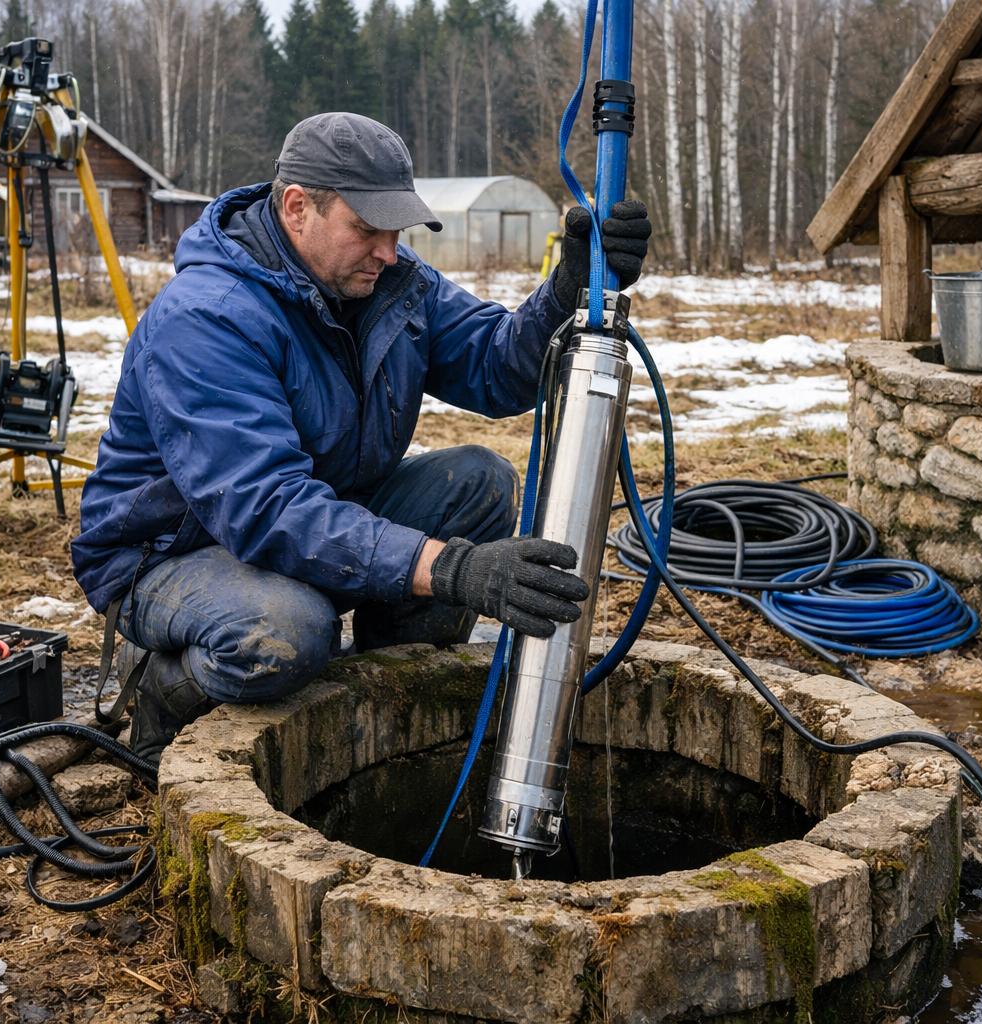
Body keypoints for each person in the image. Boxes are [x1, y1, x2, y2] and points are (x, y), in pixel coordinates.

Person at [71, 112, 651, 766]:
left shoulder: (392, 283)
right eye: (367, 230)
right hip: (173, 555)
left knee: (479, 482)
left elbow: (499, 369)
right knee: (286, 631)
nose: (388, 250)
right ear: (297, 208)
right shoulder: (208, 317)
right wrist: (451, 568)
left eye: (396, 232)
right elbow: (267, 510)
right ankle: (165, 695)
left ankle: (384, 710)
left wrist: (568, 289)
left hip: (319, 516)